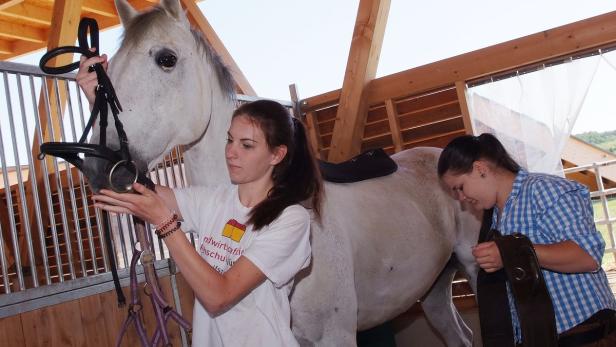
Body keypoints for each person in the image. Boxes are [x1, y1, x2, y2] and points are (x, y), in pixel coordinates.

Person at [77, 55, 323, 346]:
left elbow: (219, 296)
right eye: (230, 140)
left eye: (246, 145)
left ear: (276, 155)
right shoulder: (214, 200)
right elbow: (128, 185)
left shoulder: (290, 219)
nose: (231, 152)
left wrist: (165, 223)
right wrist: (100, 106)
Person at [437, 133, 616, 346]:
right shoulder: (496, 216)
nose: (460, 199)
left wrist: (511, 252)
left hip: (587, 335)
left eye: (459, 187)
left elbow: (586, 257)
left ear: (480, 169)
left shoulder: (544, 190)